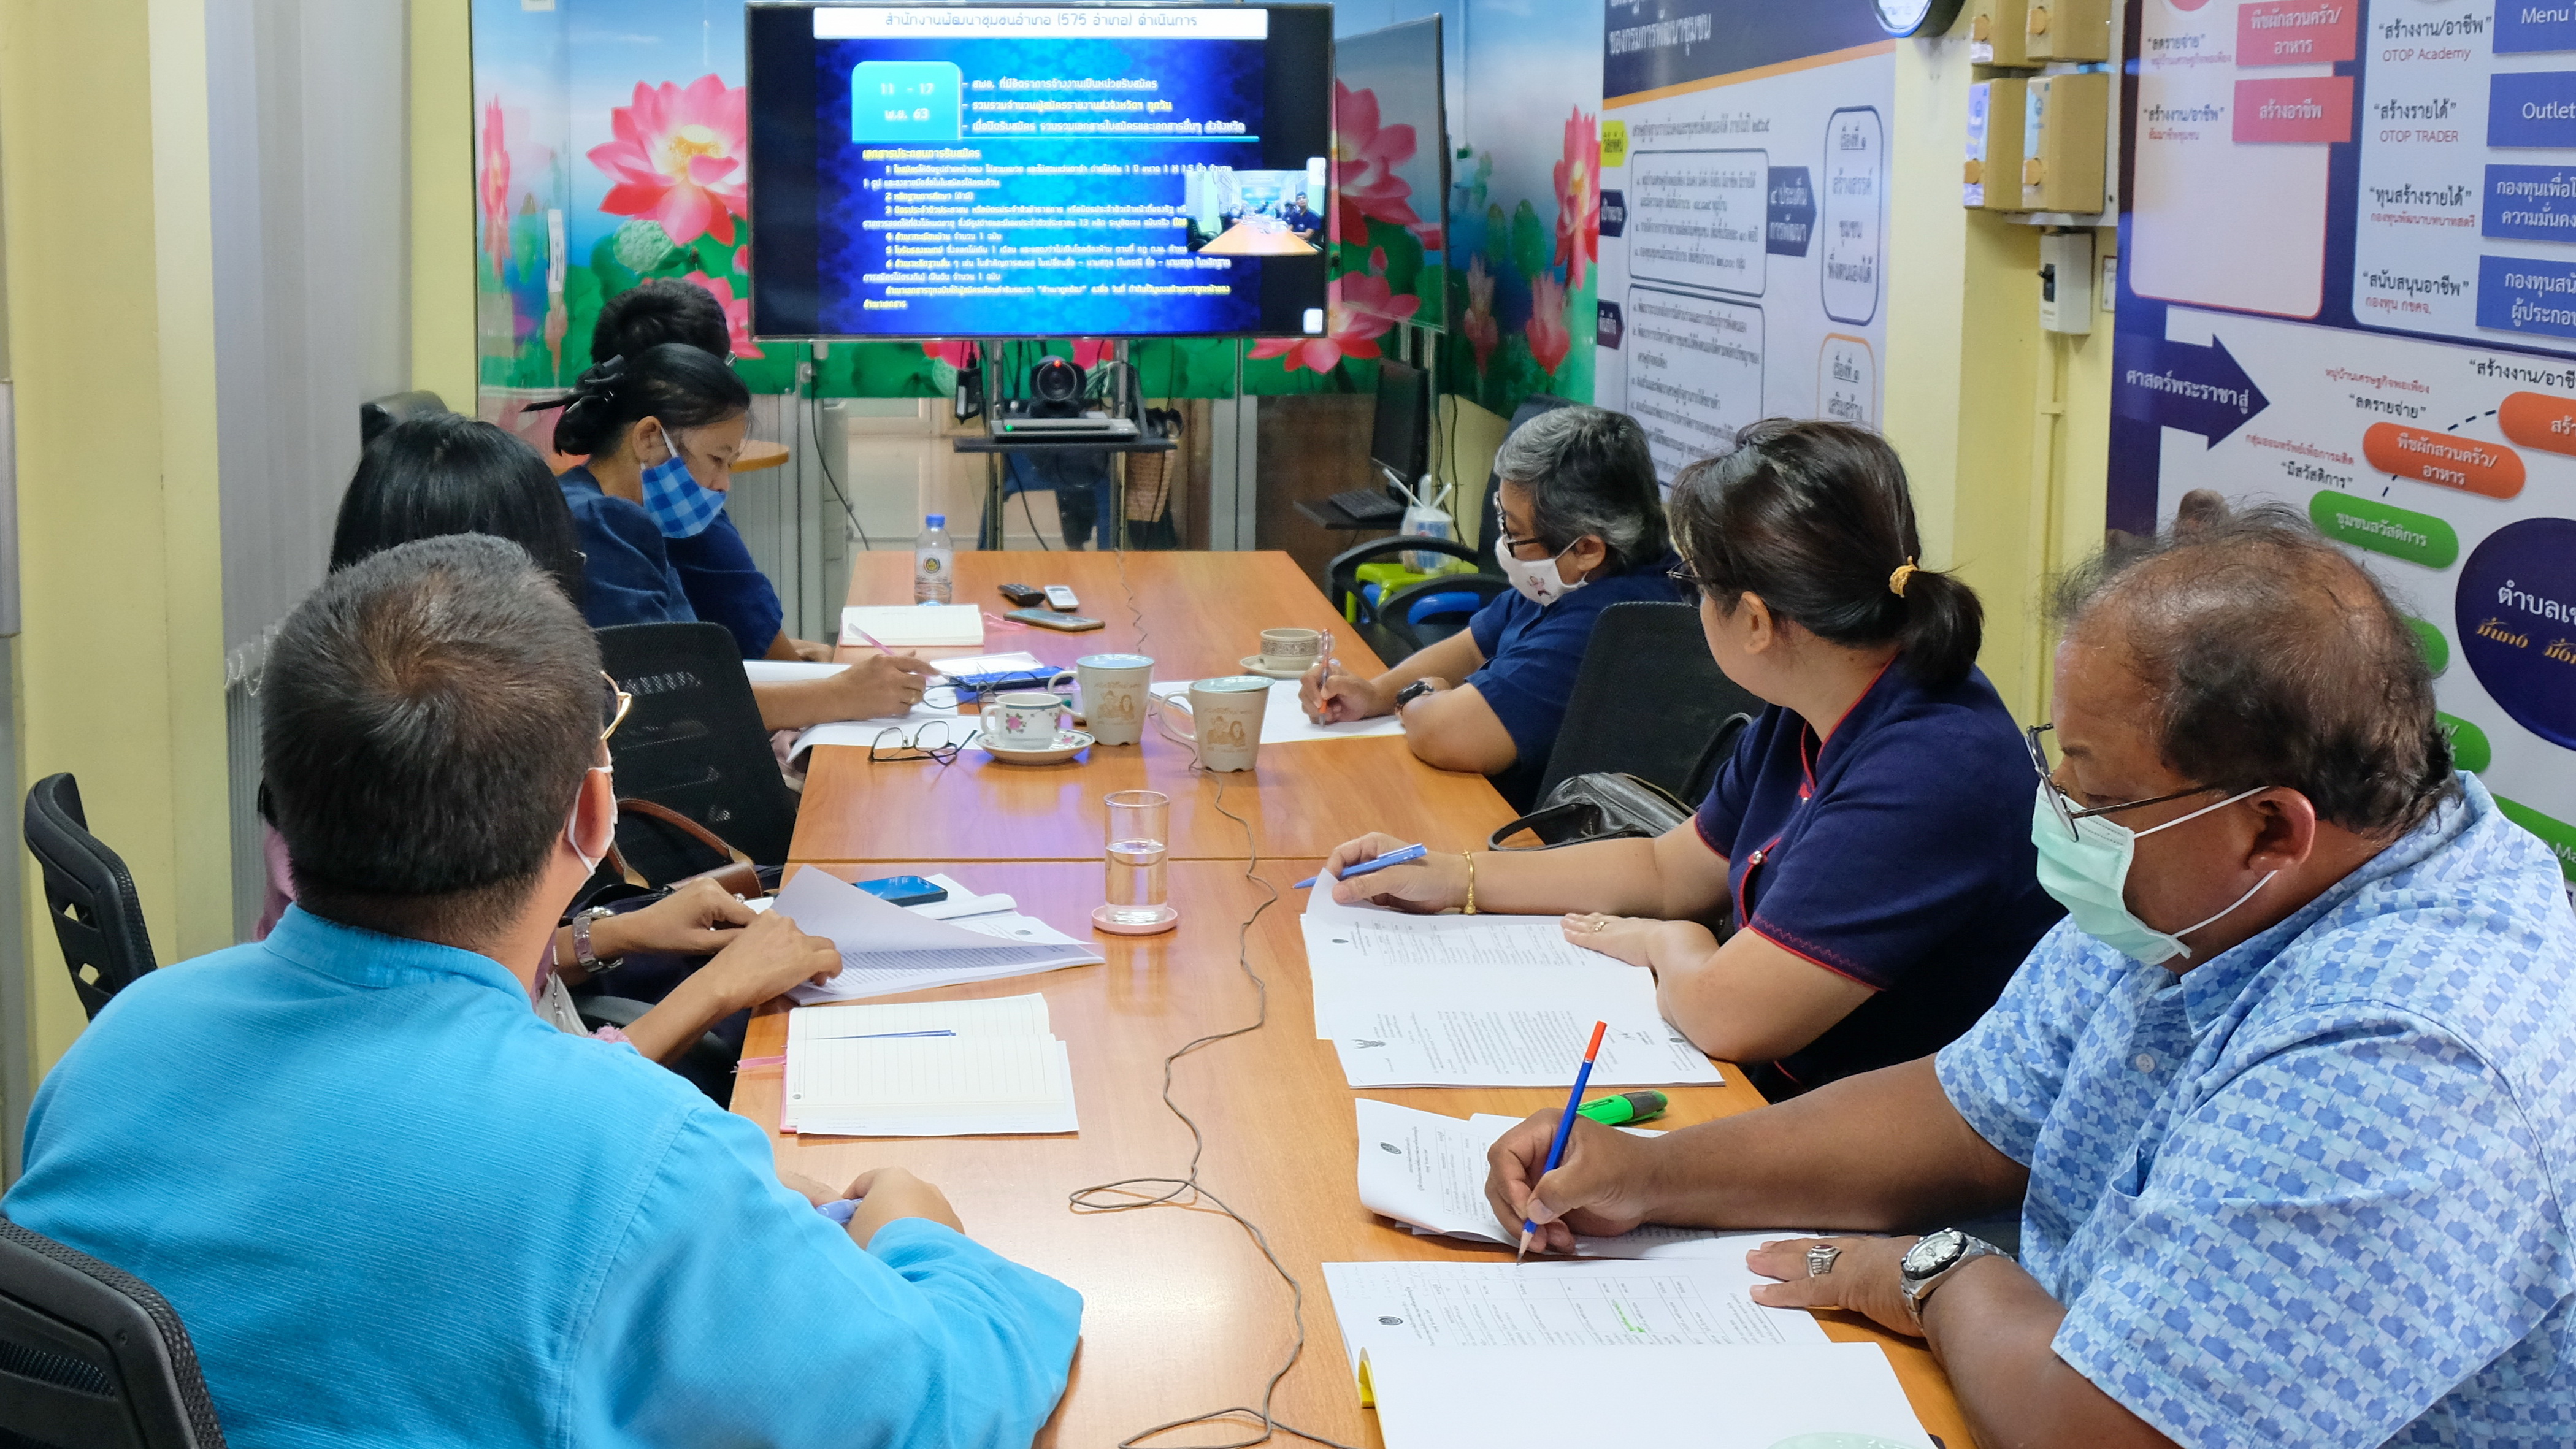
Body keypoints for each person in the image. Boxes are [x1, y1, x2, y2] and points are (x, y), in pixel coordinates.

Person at [1481, 502, 2576, 1448]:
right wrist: (1657, 1171)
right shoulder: (2203, 889)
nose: (2060, 812)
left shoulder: (2413, 1058)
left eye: (2094, 793)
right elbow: (1971, 1107)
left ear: (2269, 829)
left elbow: (2108, 1426)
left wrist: (1929, 1273)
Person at [3, 535, 1084, 1445]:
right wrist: (906, 1208)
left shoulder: (117, 1047)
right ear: (592, 815)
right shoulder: (629, 1159)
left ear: (280, 808)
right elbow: (945, 1398)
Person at [1323, 419, 2060, 1094]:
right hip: (1789, 1100)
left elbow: (1723, 1013)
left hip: (1882, 1158)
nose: (1691, 601)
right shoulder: (1815, 703)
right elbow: (1670, 868)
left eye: (1697, 584)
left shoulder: (1928, 767)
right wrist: (1455, 876)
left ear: (1760, 622)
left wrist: (1669, 943)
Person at [330, 414, 932, 735]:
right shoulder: (461, 727)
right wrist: (828, 694)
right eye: (716, 457)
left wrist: (610, 934)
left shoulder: (357, 696)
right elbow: (651, 698)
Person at [1300, 405, 1687, 808]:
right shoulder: (1565, 578)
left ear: (1588, 548)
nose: (1504, 544)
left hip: (1537, 839)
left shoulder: (1611, 622)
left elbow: (1445, 734)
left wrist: (1422, 693)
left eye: (1515, 532)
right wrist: (1374, 693)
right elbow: (1471, 646)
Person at [589, 278, 834, 663]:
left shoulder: (622, 510)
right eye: (717, 459)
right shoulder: (618, 522)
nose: (721, 485)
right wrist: (841, 688)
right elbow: (766, 660)